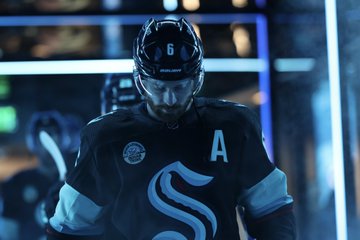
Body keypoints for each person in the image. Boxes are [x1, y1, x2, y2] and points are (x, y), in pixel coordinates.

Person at [46, 17, 296, 240]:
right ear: (141, 81)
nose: (170, 99)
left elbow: (272, 210)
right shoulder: (105, 138)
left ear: (196, 79)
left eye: (179, 87)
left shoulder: (234, 126)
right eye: (159, 87)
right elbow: (70, 228)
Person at [0, 110, 81, 240]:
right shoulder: (16, 183)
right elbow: (8, 234)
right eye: (42, 134)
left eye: (53, 133)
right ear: (33, 141)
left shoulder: (76, 179)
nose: (48, 139)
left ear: (63, 138)